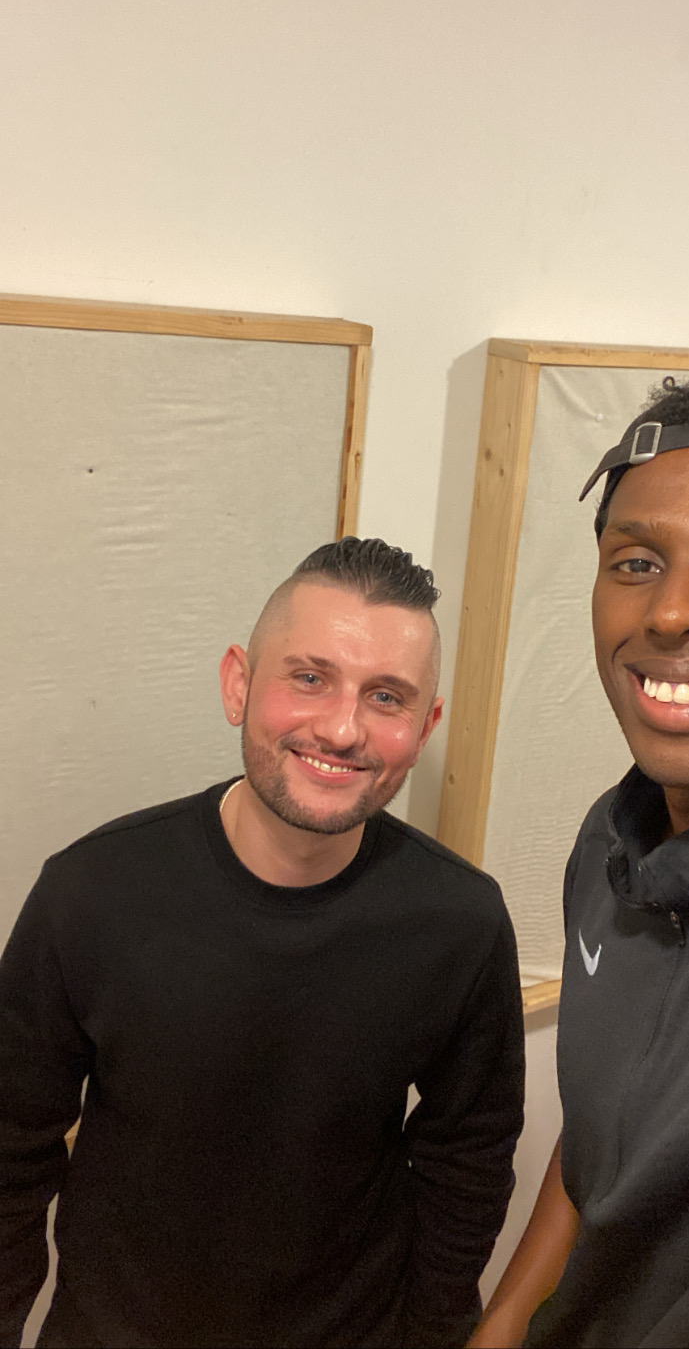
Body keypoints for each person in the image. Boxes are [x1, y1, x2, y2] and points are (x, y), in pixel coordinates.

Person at [0, 537, 524, 1349]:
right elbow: (9, 1148)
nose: (342, 729)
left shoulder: (460, 921)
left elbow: (469, 1160)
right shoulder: (92, 893)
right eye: (309, 678)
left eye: (387, 697)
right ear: (238, 684)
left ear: (426, 726)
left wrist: (431, 1333)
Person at [470, 369, 689, 1349]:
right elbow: (600, 1136)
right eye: (636, 561)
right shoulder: (610, 840)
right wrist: (504, 1321)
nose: (671, 612)